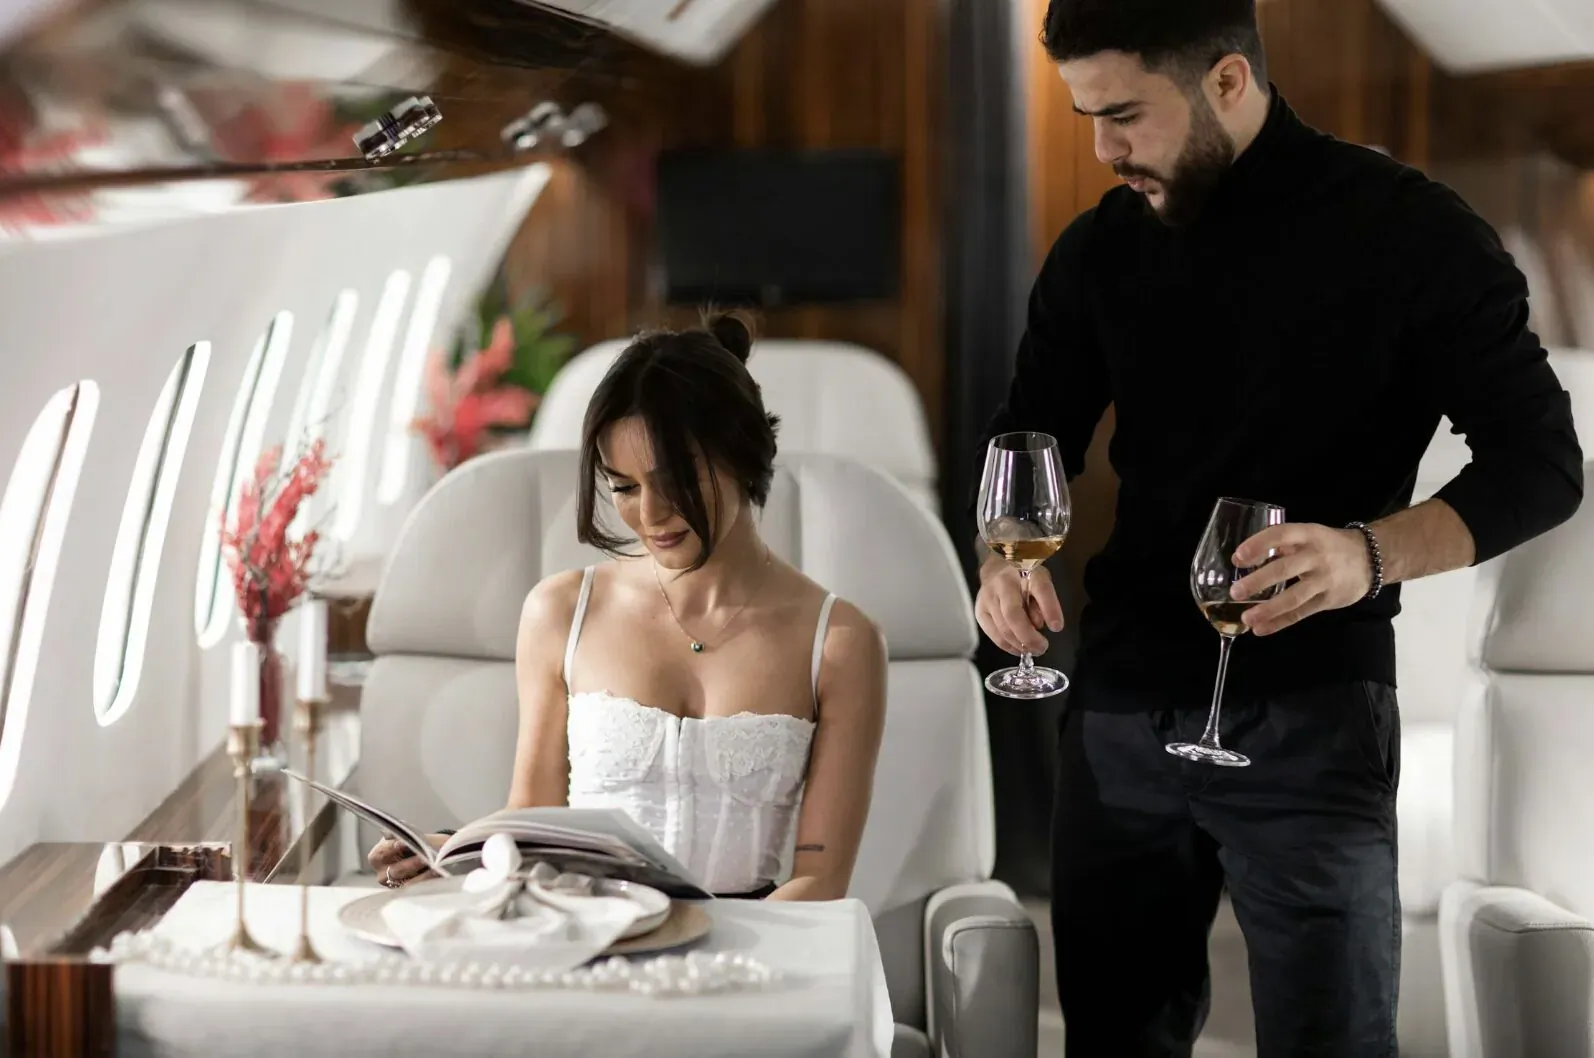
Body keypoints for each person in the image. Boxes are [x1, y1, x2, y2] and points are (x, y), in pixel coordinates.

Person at [974, 1, 1583, 1055]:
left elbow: (1539, 462)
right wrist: (998, 565)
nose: (1103, 148)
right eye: (1085, 116)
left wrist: (1367, 552)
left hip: (1317, 712)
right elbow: (1028, 444)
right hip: (1121, 707)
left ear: (1225, 80)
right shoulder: (1097, 250)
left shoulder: (1413, 233)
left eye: (1123, 114)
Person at [370, 312, 888, 901]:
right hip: (590, 942)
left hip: (755, 955)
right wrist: (449, 850)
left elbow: (820, 879)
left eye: (677, 479)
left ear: (742, 455)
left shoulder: (841, 642)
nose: (651, 513)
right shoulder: (559, 613)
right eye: (624, 487)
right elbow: (532, 825)